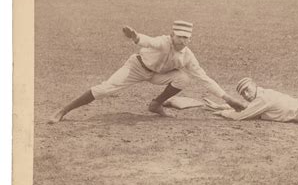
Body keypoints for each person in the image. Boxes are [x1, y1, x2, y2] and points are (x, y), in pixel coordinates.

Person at [48, 20, 246, 124]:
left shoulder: (187, 55)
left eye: (187, 38)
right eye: (180, 37)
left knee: (184, 78)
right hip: (136, 67)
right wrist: (135, 37)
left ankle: (156, 104)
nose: (183, 41)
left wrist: (229, 99)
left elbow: (204, 78)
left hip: (158, 75)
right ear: (172, 35)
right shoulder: (163, 41)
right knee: (106, 89)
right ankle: (64, 110)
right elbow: (147, 40)